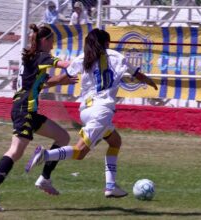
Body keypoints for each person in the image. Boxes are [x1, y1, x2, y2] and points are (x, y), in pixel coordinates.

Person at [25, 28, 158, 198]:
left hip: (86, 110)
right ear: (107, 43)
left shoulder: (83, 57)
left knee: (115, 141)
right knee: (80, 152)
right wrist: (151, 82)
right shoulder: (117, 56)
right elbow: (138, 75)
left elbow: (61, 78)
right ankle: (45, 155)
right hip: (102, 111)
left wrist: (41, 84)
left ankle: (111, 185)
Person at [0, 24, 78, 212]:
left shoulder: (34, 58)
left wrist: (62, 80)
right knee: (16, 151)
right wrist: (84, 61)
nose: (52, 44)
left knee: (63, 137)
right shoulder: (42, 56)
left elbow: (43, 83)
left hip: (29, 111)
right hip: (24, 110)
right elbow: (65, 64)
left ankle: (44, 179)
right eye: (51, 41)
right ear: (44, 41)